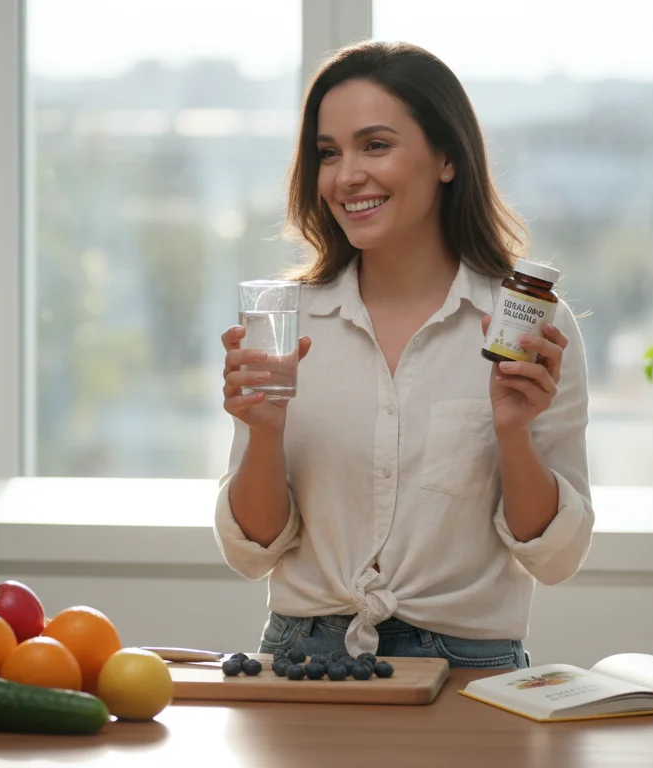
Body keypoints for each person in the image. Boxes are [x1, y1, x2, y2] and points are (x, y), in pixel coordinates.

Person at [212, 40, 594, 669]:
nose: (346, 175)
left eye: (376, 145)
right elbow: (252, 550)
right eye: (328, 153)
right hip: (304, 659)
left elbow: (553, 559)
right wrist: (262, 432)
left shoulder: (526, 329)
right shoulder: (283, 322)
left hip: (470, 666)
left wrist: (513, 432)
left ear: (447, 157)